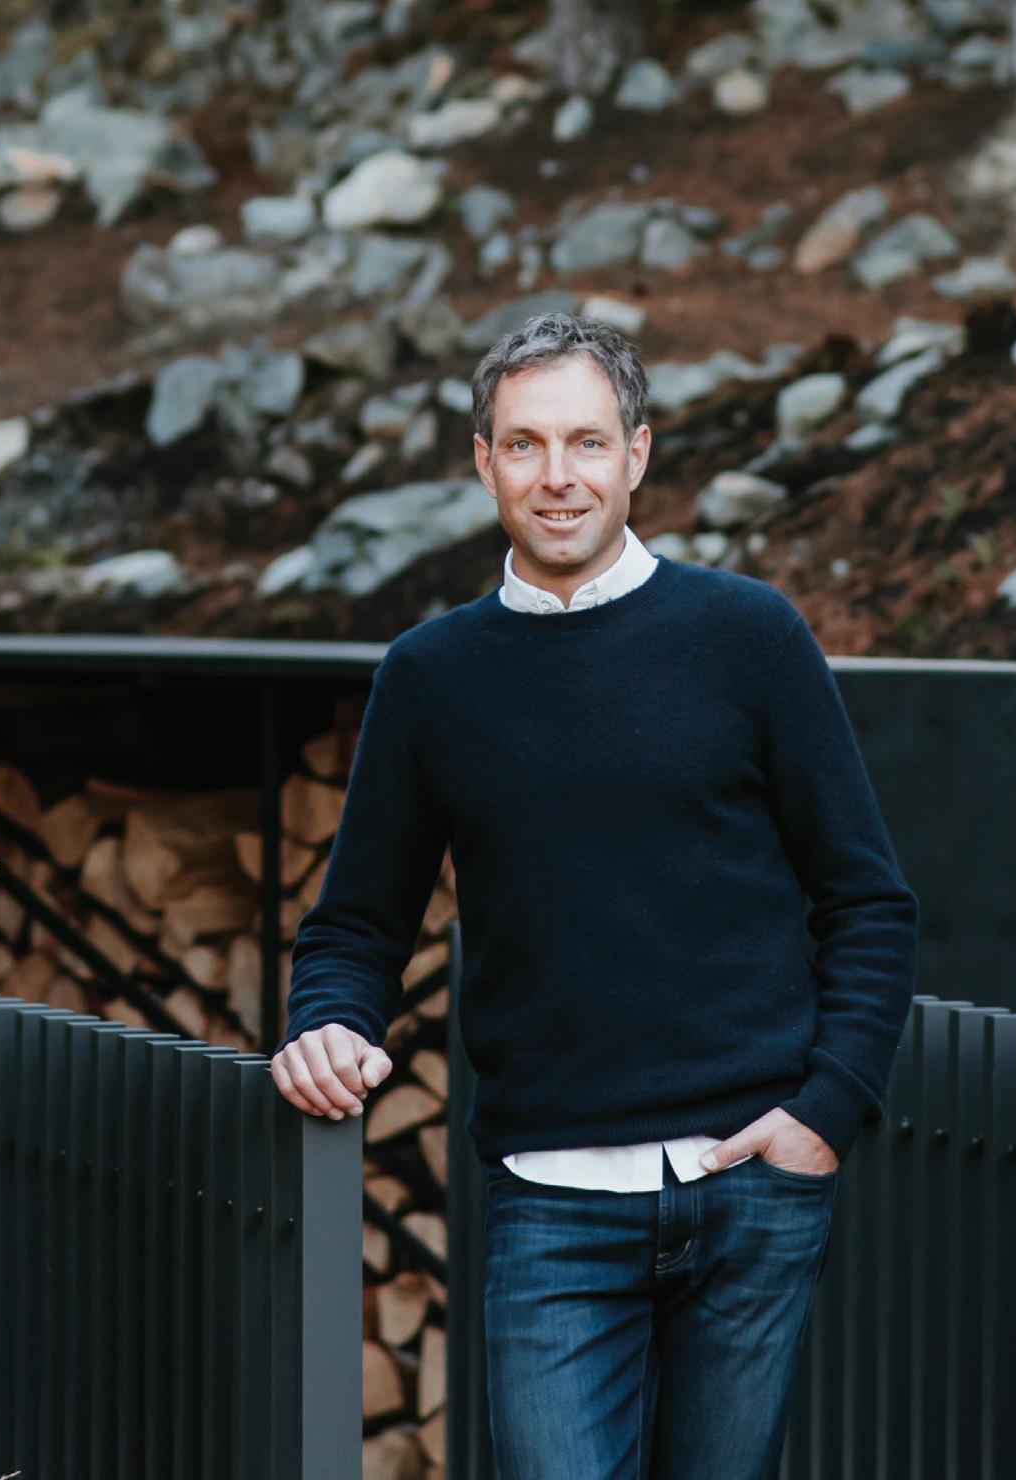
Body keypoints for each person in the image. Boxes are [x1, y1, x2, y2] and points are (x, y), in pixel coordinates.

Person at [269, 312, 919, 1479]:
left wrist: (826, 1115)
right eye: (524, 444)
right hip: (552, 1207)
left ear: (638, 454)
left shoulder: (750, 637)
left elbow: (867, 900)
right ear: (484, 463)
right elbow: (356, 925)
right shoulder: (430, 678)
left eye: (586, 441)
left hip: (753, 1187)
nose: (557, 476)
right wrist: (327, 1020)